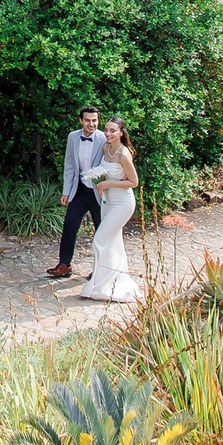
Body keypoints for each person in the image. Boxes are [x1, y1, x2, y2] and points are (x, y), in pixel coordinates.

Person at [78, 119, 141, 302]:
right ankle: (113, 282)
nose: (108, 134)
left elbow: (134, 182)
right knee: (113, 243)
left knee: (100, 239)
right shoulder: (106, 148)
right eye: (106, 130)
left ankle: (99, 284)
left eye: (113, 130)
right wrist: (99, 181)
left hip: (122, 203)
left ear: (121, 132)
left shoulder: (123, 154)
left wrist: (108, 183)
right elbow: (104, 170)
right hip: (108, 201)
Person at [49, 104, 109, 279]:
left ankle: (100, 269)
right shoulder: (73, 137)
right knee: (69, 225)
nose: (92, 124)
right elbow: (69, 165)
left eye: (95, 120)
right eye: (88, 120)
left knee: (101, 231)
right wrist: (66, 191)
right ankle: (64, 264)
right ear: (81, 121)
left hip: (98, 192)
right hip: (79, 190)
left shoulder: (104, 138)